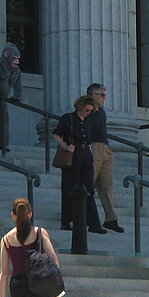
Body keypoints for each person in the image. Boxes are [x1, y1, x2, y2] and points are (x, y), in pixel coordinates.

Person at [53, 95, 107, 234]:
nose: (88, 113)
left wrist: (92, 159)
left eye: (90, 110)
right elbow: (56, 134)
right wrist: (65, 146)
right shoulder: (68, 118)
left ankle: (93, 223)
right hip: (72, 156)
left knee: (89, 189)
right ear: (80, 107)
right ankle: (66, 221)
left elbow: (89, 141)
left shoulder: (89, 120)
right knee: (70, 188)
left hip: (86, 156)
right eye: (86, 110)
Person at [87, 83, 124, 233]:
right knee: (88, 184)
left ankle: (111, 219)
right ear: (93, 95)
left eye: (104, 95)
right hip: (93, 147)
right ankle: (86, 218)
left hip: (104, 147)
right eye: (101, 95)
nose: (104, 98)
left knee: (106, 185)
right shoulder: (87, 111)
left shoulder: (101, 112)